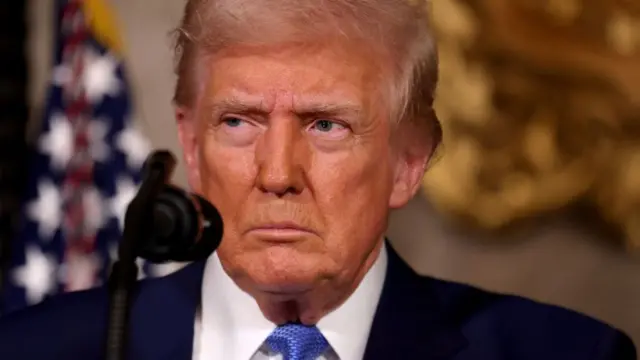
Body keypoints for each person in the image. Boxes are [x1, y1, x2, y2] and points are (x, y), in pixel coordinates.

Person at [0, 0, 635, 359]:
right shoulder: (37, 352)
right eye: (239, 122)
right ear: (191, 145)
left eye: (326, 125)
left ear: (411, 160)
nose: (277, 174)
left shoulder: (566, 357)